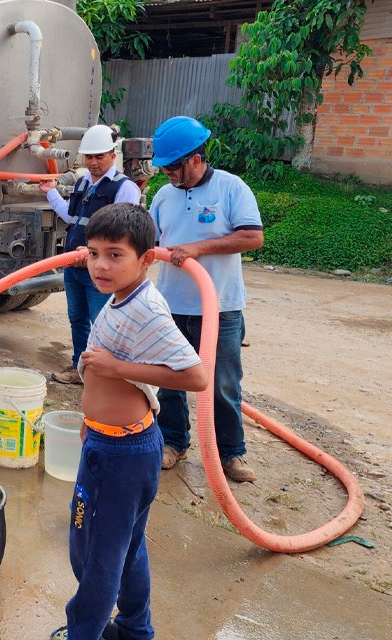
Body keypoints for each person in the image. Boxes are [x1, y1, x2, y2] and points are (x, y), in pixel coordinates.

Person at [50, 203, 207, 640]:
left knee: (96, 556)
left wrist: (119, 368)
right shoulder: (122, 297)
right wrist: (91, 419)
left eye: (115, 254)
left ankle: (85, 634)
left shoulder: (148, 311)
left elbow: (196, 376)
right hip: (111, 441)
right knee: (125, 547)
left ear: (146, 258)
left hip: (122, 455)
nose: (100, 264)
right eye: (94, 252)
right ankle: (135, 629)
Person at [148, 116, 264, 483]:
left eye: (172, 167)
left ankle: (230, 454)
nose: (166, 173)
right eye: (163, 167)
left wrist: (199, 248)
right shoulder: (164, 195)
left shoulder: (232, 188)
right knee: (169, 378)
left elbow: (252, 237)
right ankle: (173, 442)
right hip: (171, 304)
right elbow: (149, 241)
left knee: (222, 384)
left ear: (196, 159)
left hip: (220, 307)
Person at [40, 124, 142, 385]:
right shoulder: (83, 182)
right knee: (78, 319)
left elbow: (123, 231)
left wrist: (95, 254)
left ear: (112, 155)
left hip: (101, 271)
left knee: (103, 322)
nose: (94, 162)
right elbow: (71, 217)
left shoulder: (124, 187)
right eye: (89, 157)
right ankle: (80, 367)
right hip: (73, 266)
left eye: (100, 156)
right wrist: (51, 192)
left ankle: (108, 376)